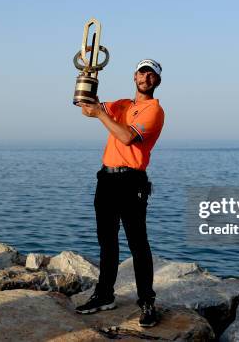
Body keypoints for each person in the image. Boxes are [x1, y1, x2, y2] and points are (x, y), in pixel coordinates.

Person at [75, 59, 165, 328]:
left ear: (156, 81)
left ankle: (147, 302)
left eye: (151, 74)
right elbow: (86, 107)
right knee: (107, 241)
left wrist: (102, 115)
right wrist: (87, 76)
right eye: (142, 72)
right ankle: (104, 295)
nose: (145, 77)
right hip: (107, 178)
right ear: (134, 76)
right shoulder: (123, 104)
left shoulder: (154, 110)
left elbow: (127, 137)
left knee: (138, 244)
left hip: (132, 181)